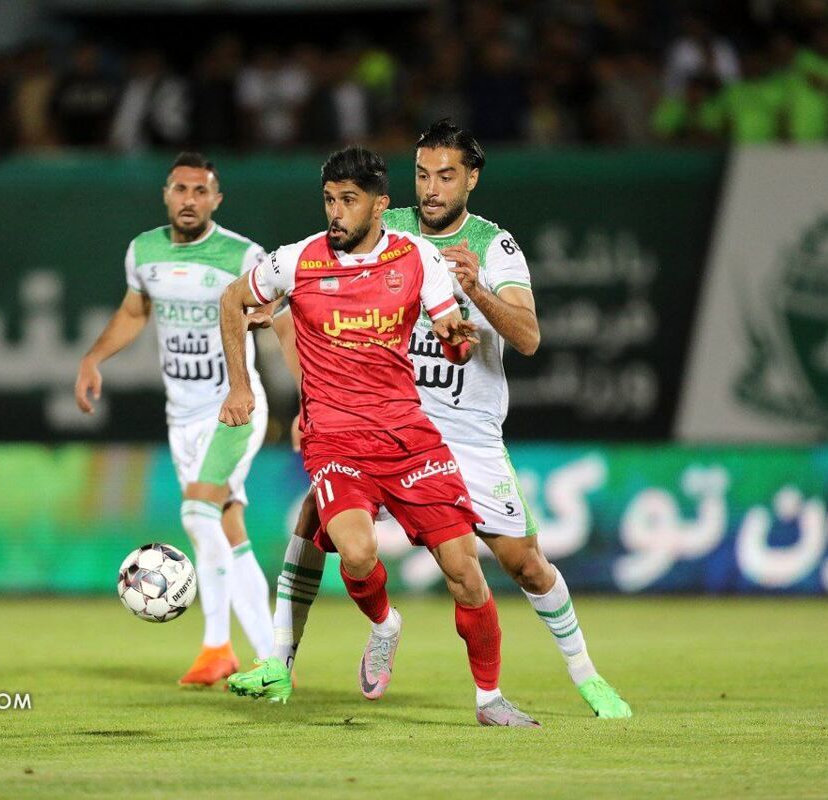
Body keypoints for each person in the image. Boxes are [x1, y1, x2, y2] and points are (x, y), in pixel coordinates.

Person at [230, 120, 632, 719]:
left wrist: (479, 291)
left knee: (523, 564)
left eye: (446, 176)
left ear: (471, 179)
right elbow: (305, 289)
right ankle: (280, 661)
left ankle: (586, 675)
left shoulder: (493, 246)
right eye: (422, 175)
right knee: (317, 519)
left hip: (464, 434)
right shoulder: (382, 228)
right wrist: (302, 375)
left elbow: (528, 337)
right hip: (378, 422)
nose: (432, 189)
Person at [75, 152, 274, 686]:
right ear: (166, 194)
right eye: (181, 189)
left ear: (216, 199)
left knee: (197, 513)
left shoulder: (242, 256)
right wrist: (94, 358)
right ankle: (271, 655)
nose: (190, 199)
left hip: (233, 406)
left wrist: (308, 400)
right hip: (181, 415)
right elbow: (134, 311)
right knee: (226, 525)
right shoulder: (144, 251)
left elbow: (283, 320)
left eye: (200, 190)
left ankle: (217, 648)